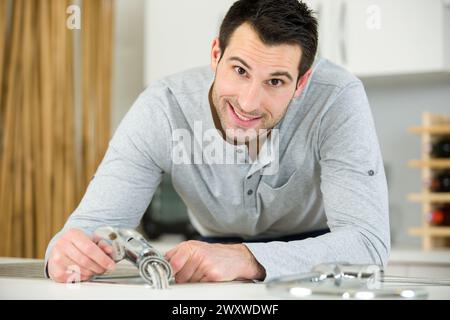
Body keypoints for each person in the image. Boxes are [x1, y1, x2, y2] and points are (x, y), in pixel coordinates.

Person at [46, 0, 390, 283]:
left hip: (318, 253)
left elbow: (367, 243)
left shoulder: (338, 98)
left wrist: (247, 258)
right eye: (240, 71)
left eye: (276, 81)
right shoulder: (163, 107)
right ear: (216, 55)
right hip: (210, 253)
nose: (250, 102)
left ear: (301, 83)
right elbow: (92, 227)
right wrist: (64, 254)